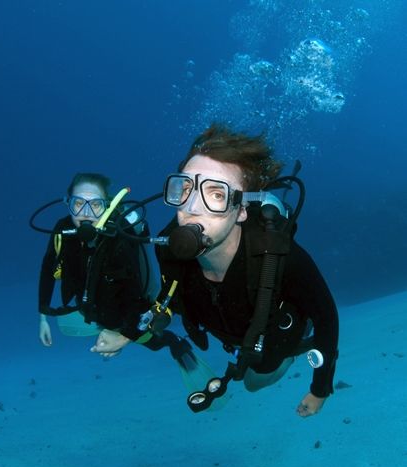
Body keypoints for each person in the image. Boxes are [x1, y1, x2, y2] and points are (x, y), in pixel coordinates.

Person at [155, 124, 339, 417]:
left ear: (241, 210)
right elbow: (166, 298)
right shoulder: (166, 247)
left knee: (256, 380)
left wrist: (320, 389)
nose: (191, 206)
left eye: (215, 194)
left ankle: (286, 357)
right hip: (232, 334)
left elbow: (327, 317)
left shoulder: (281, 257)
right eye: (186, 188)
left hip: (273, 339)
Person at [37, 172, 215, 387]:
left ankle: (174, 343)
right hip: (91, 304)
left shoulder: (120, 237)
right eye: (77, 204)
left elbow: (134, 295)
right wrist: (43, 316)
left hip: (126, 308)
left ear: (107, 206)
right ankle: (107, 326)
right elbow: (48, 268)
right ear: (68, 204)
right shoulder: (62, 230)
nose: (85, 213)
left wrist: (122, 337)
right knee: (101, 321)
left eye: (95, 205)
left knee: (151, 342)